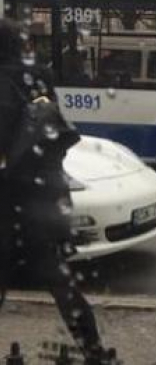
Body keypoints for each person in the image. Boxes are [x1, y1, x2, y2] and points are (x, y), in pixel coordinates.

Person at [0, 20, 106, 364]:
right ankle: (94, 351)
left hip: (7, 199)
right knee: (62, 285)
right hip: (44, 197)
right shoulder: (41, 77)